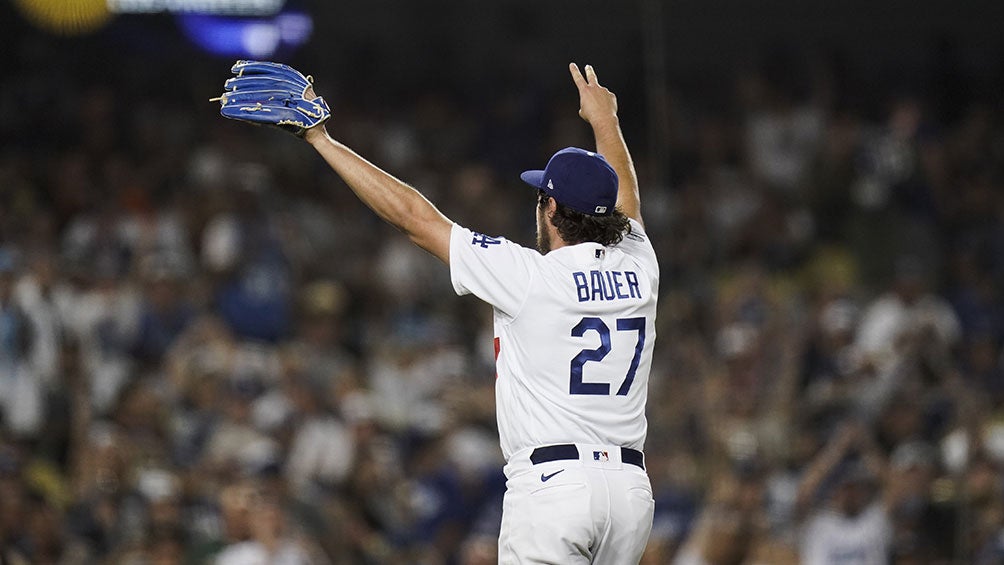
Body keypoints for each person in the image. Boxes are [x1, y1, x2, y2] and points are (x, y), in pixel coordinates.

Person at [225, 62, 658, 563]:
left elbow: (414, 218)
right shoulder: (639, 266)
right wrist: (607, 122)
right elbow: (627, 201)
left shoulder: (531, 277)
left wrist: (320, 138)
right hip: (630, 496)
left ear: (552, 210)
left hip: (555, 490)